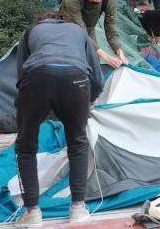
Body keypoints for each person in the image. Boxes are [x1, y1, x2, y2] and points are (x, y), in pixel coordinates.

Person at [14, 11, 104, 228]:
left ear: (41, 21)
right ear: (68, 22)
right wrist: (89, 100)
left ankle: (33, 213)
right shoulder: (79, 32)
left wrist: (25, 105)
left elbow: (20, 75)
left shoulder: (32, 31)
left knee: (26, 146)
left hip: (37, 77)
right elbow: (97, 78)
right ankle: (78, 209)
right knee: (77, 142)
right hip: (76, 79)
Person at [60, 0, 126, 69]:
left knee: (94, 63)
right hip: (67, 30)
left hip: (89, 29)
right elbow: (80, 32)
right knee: (72, 64)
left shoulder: (110, 1)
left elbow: (110, 30)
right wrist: (106, 57)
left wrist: (119, 51)